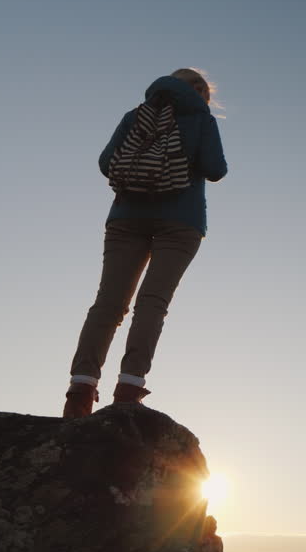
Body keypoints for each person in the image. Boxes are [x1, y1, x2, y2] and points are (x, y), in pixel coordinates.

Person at [63, 68, 228, 418]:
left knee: (108, 303)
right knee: (153, 303)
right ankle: (129, 388)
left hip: (126, 217)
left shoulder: (136, 115)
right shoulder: (202, 119)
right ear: (201, 94)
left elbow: (106, 162)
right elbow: (215, 169)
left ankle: (80, 388)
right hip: (181, 221)